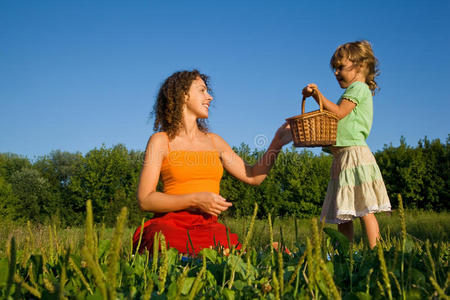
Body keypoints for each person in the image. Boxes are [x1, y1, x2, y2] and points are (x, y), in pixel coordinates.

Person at [133, 70, 292, 254]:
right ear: (183, 95)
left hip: (207, 226)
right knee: (164, 238)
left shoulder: (215, 141)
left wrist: (277, 142)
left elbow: (253, 176)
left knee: (221, 245)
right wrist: (195, 200)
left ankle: (257, 254)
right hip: (171, 224)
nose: (209, 97)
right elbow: (145, 200)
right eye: (202, 91)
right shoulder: (161, 140)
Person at [301, 40, 391, 248]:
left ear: (359, 66)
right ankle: (345, 256)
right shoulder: (353, 91)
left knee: (364, 208)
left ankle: (376, 252)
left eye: (340, 67)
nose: (336, 73)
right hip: (342, 157)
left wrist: (318, 96)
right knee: (344, 212)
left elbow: (339, 113)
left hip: (354, 155)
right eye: (335, 68)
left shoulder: (359, 88)